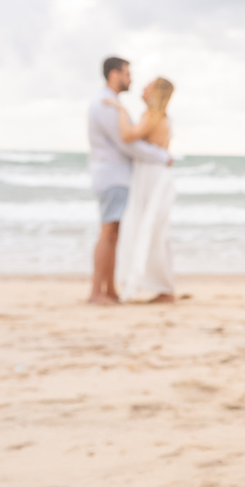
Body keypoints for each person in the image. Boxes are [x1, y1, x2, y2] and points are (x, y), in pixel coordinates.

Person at [87, 57, 172, 305]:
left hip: (117, 176)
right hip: (113, 176)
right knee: (108, 232)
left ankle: (108, 290)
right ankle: (96, 291)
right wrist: (162, 155)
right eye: (127, 74)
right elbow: (128, 143)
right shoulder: (106, 105)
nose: (131, 79)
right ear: (114, 74)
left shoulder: (111, 104)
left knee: (113, 233)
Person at [103, 77, 177, 303]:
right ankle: (163, 286)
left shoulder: (152, 116)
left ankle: (164, 288)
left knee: (148, 229)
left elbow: (127, 136)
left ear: (156, 92)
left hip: (151, 178)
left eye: (149, 85)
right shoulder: (161, 117)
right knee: (154, 231)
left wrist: (120, 109)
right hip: (154, 176)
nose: (144, 87)